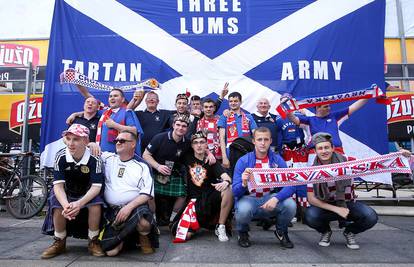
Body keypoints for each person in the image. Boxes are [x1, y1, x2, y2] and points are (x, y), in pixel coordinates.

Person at [304, 132, 378, 250]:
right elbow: (311, 199)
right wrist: (337, 209)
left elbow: (372, 163)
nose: (324, 151)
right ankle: (325, 231)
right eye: (320, 148)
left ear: (333, 148)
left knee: (371, 216)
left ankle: (350, 232)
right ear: (316, 151)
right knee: (309, 216)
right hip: (326, 205)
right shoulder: (312, 170)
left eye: (327, 147)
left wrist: (398, 155)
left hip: (347, 203)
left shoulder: (347, 162)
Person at [41, 124, 105, 259]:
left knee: (96, 204)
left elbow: (96, 187)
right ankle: (60, 241)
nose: (71, 143)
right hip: (67, 190)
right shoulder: (60, 155)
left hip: (88, 191)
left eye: (76, 139)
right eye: (68, 139)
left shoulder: (95, 158)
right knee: (56, 201)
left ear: (86, 141)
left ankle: (93, 241)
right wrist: (66, 206)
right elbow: (58, 186)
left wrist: (79, 204)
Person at [143, 115, 215, 226]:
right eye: (178, 125)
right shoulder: (159, 138)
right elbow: (146, 155)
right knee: (149, 193)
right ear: (173, 125)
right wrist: (158, 166)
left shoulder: (186, 142)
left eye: (184, 126)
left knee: (183, 194)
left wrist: (209, 153)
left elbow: (199, 146)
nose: (180, 128)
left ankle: (173, 219)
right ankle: (153, 219)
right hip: (156, 171)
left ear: (187, 129)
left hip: (173, 173)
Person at [232, 127, 296, 249]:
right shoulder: (243, 161)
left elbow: (291, 184)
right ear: (253, 141)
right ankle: (243, 232)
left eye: (266, 139)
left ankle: (281, 231)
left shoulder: (277, 160)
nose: (262, 143)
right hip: (249, 198)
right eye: (259, 139)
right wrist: (244, 183)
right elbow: (235, 191)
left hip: (270, 197)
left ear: (271, 141)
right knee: (243, 210)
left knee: (290, 205)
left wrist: (276, 198)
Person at [100, 130, 158, 256]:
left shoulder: (142, 166)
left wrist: (129, 207)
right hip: (112, 211)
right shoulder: (108, 158)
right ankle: (128, 237)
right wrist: (92, 145)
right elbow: (86, 148)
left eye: (122, 141)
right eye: (116, 140)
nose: (118, 143)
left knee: (143, 222)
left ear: (133, 144)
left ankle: (143, 237)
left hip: (134, 207)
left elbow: (147, 193)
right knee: (111, 252)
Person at [173, 131, 233, 241]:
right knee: (183, 234)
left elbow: (227, 177)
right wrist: (209, 152)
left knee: (228, 189)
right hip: (194, 202)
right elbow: (179, 141)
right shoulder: (187, 156)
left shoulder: (212, 161)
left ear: (206, 144)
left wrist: (226, 182)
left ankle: (220, 226)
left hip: (210, 198)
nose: (199, 145)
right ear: (192, 145)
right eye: (195, 143)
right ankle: (199, 224)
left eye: (202, 142)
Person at [67, 85, 143, 156]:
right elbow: (90, 102)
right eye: (110, 96)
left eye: (115, 96)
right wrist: (75, 114)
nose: (112, 98)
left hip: (117, 156)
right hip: (101, 155)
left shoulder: (127, 112)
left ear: (123, 99)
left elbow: (134, 131)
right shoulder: (104, 111)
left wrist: (114, 125)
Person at [286, 99, 368, 153]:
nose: (329, 108)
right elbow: (292, 118)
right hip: (315, 153)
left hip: (337, 151)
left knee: (341, 178)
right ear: (317, 108)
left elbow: (354, 107)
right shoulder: (309, 120)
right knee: (317, 179)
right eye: (326, 106)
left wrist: (369, 94)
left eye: (329, 106)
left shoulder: (335, 116)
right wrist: (286, 106)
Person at [218, 91, 258, 169]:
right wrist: (224, 157)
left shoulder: (248, 117)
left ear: (240, 102)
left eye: (236, 101)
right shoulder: (224, 116)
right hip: (231, 152)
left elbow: (256, 135)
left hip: (247, 152)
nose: (233, 103)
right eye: (231, 101)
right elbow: (221, 138)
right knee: (234, 179)